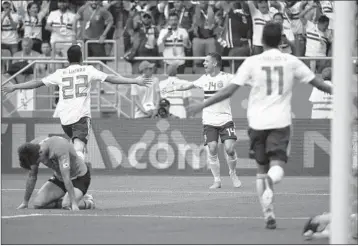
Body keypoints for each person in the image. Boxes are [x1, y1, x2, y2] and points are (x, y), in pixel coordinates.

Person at [188, 22, 332, 229]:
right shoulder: (291, 61)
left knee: (261, 171)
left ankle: (268, 214)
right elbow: (318, 84)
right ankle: (270, 188)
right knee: (277, 169)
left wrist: (202, 103)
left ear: (261, 40)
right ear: (281, 40)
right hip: (280, 122)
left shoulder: (251, 62)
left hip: (256, 122)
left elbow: (228, 91)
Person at [2, 44, 149, 164]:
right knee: (79, 150)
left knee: (79, 148)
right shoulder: (88, 70)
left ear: (67, 59)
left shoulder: (60, 73)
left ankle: (52, 154)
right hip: (80, 117)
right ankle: (76, 182)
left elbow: (37, 82)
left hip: (65, 119)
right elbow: (111, 78)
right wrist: (134, 80)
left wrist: (15, 87)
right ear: (81, 57)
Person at [164, 52, 242, 189]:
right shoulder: (204, 79)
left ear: (215, 63)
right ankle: (217, 180)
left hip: (225, 118)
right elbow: (188, 85)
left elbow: (243, 80)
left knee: (229, 149)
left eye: (206, 61)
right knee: (212, 148)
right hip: (209, 120)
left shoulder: (227, 77)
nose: (204, 63)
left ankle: (233, 173)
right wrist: (174, 87)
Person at [16, 136, 95, 210]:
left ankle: (88, 202)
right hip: (59, 178)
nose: (39, 163)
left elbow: (66, 177)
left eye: (38, 161)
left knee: (67, 204)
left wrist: (74, 204)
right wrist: (25, 202)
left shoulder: (59, 148)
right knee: (38, 204)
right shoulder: (31, 150)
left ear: (40, 152)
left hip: (79, 177)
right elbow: (32, 176)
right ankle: (68, 198)